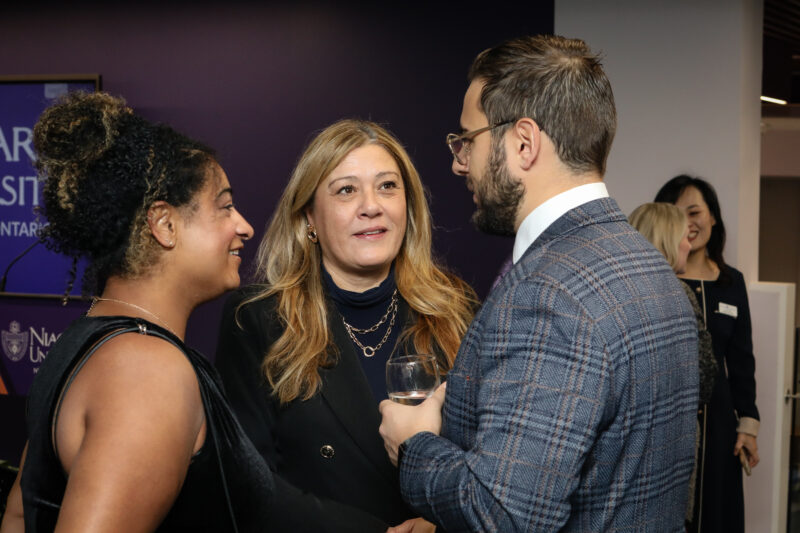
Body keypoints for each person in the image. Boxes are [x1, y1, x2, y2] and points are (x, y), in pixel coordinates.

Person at [378, 35, 699, 532]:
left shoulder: (547, 295)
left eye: (468, 140)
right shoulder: (651, 266)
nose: (459, 162)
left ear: (523, 143)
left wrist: (413, 445)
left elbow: (503, 514)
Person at [0, 91, 274, 532]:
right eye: (224, 207)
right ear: (164, 224)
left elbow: (19, 515)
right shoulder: (147, 372)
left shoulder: (87, 343)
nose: (244, 226)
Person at [214, 119, 477, 532]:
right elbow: (250, 486)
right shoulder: (258, 318)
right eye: (346, 190)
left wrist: (439, 522)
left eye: (387, 186)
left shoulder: (455, 307)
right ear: (309, 217)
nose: (371, 206)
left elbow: (494, 463)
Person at [655, 175, 759, 533]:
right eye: (677, 214)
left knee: (718, 513)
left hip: (719, 424)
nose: (688, 223)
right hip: (669, 420)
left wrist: (748, 425)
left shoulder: (732, 282)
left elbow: (742, 360)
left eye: (695, 212)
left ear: (713, 216)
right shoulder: (661, 281)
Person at [629, 201, 718, 525]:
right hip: (666, 452)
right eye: (682, 237)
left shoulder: (622, 291)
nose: (688, 245)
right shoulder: (679, 295)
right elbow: (704, 380)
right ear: (667, 241)